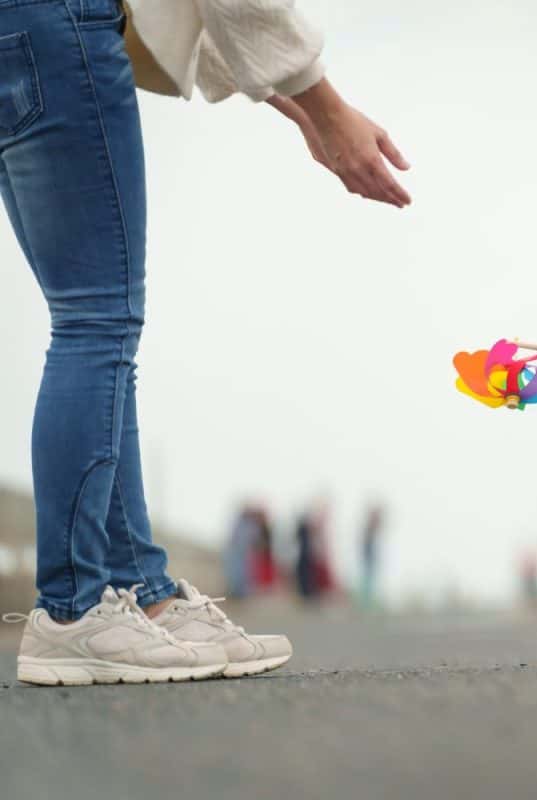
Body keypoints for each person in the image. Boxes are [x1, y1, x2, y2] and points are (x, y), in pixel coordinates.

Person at [1, 0, 409, 686]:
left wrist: (297, 103)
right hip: (62, 23)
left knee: (95, 324)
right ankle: (73, 611)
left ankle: (138, 592)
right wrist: (327, 105)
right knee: (95, 321)